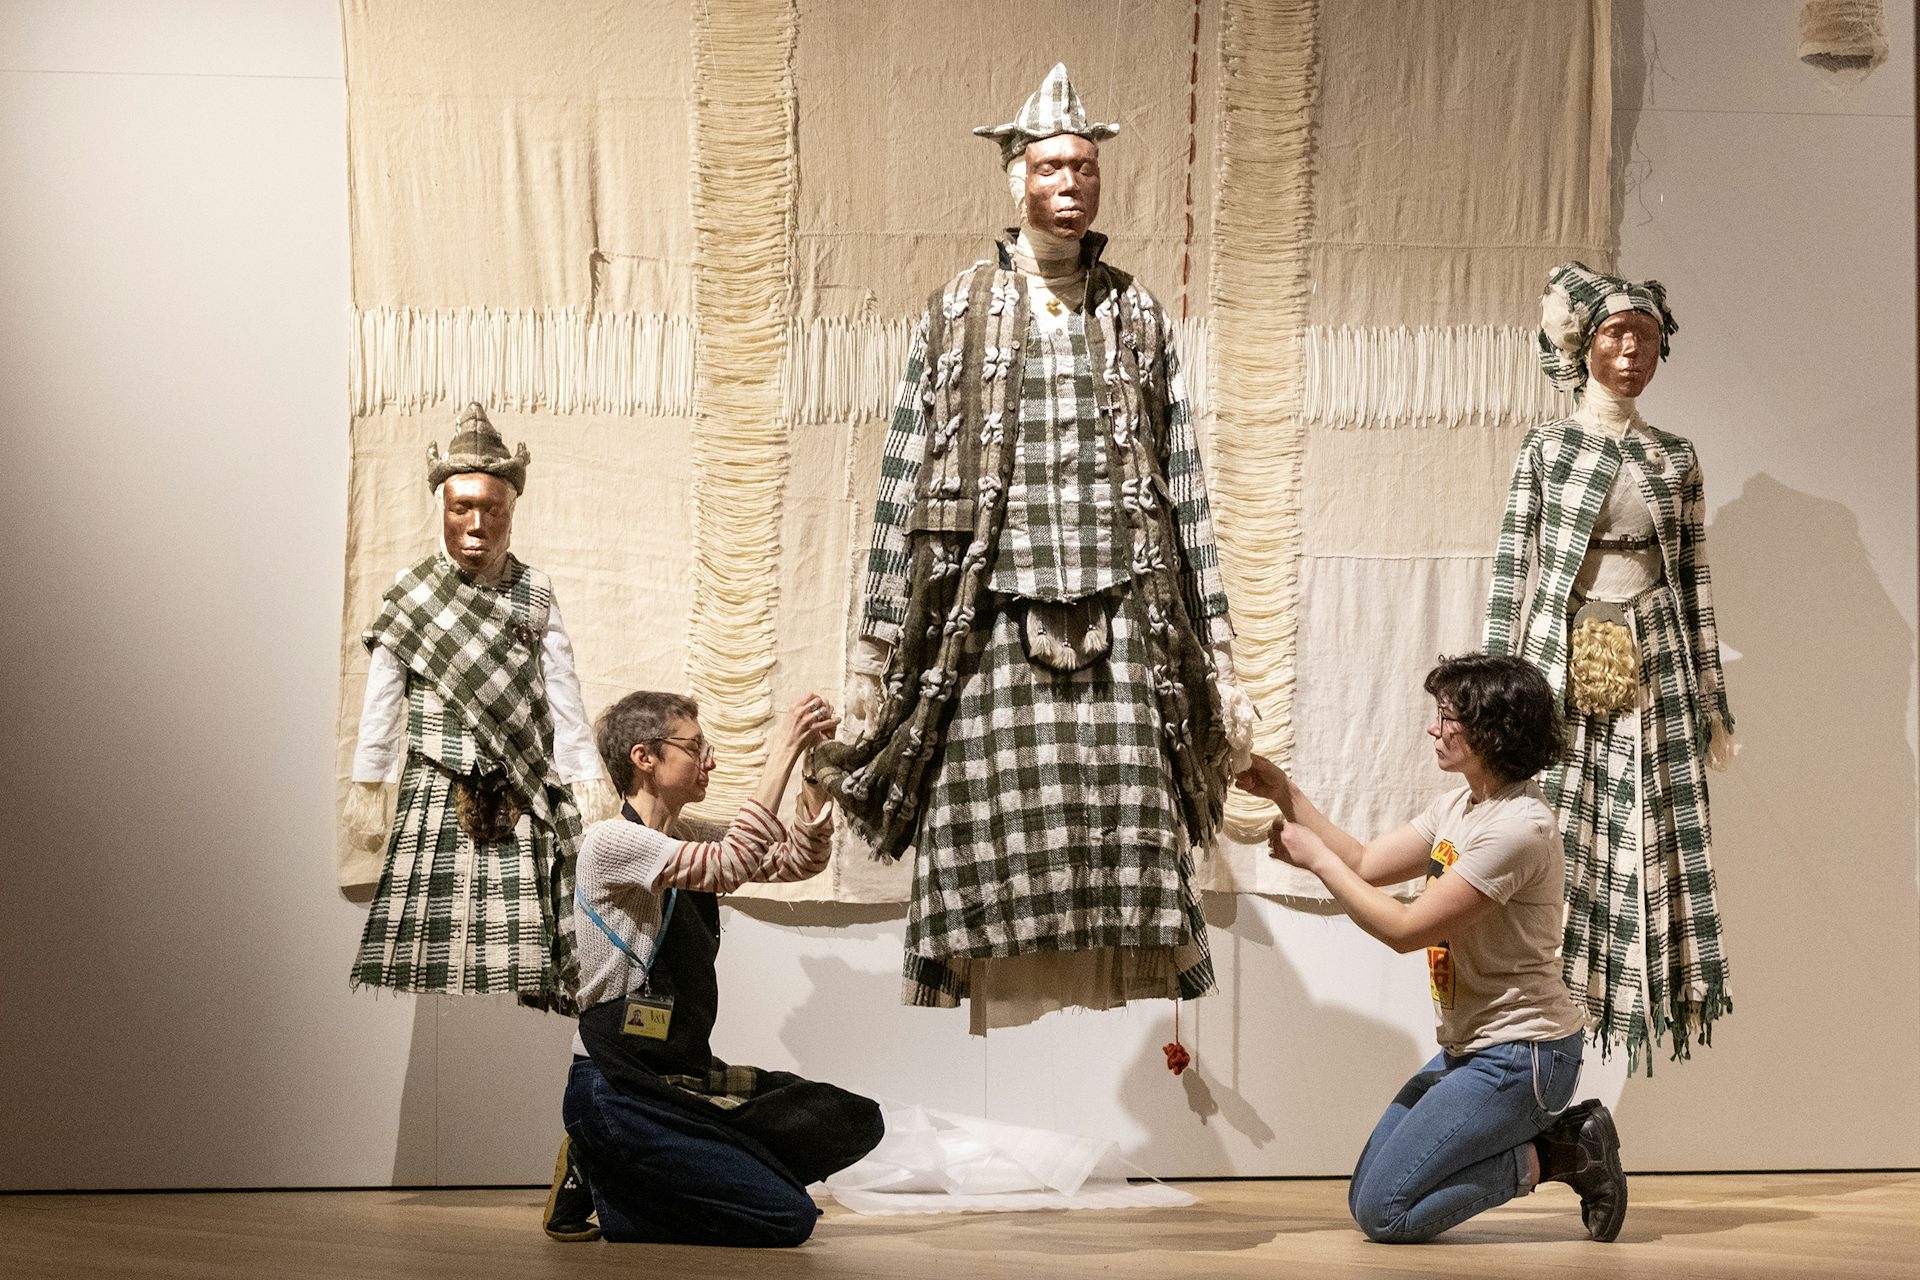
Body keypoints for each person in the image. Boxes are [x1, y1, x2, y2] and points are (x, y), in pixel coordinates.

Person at [815, 64, 1255, 1025]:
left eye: (1086, 168)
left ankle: (1126, 963)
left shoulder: (1136, 311)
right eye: (1053, 166)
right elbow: (903, 468)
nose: (1072, 184)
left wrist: (1217, 640)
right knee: (983, 822)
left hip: (1123, 597)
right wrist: (879, 638)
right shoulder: (958, 308)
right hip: (990, 604)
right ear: (1017, 179)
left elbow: (1182, 477)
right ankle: (979, 963)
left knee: (1129, 819)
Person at [1239, 653, 1627, 1244]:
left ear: (1492, 731)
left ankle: (1562, 1154)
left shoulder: (1521, 828)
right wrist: (1285, 793)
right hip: (1470, 1050)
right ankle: (1552, 1148)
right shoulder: (1459, 808)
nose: (1434, 729)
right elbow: (1367, 863)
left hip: (1525, 1055)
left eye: (1449, 717)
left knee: (1384, 1213)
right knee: (1366, 1192)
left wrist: (1314, 860)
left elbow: (1405, 930)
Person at [1487, 263, 1735, 1070]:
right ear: (1583, 345)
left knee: (1646, 823)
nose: (1632, 351)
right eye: (1615, 335)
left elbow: (1695, 581)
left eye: (1647, 338)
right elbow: (1512, 569)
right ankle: (1550, 996)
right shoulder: (1551, 449)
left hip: (1653, 658)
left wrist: (1713, 701)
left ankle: (1646, 986)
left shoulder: (1675, 456)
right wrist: (1490, 692)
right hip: (1566, 656)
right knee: (1561, 824)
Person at [544, 689, 883, 1246]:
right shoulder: (611, 842)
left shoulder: (691, 833)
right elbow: (730, 865)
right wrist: (779, 748)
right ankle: (609, 1184)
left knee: (849, 1119)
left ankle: (645, 1170)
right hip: (616, 1082)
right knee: (788, 1218)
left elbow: (798, 860)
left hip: (677, 1070)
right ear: (644, 758)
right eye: (695, 746)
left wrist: (813, 780)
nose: (711, 759)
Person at [346, 402, 610, 1013]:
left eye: (492, 509)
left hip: (519, 782)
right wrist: (369, 783)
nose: (475, 525)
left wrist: (582, 775)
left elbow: (563, 691)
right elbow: (384, 696)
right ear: (442, 507)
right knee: (436, 939)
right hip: (436, 782)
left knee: (521, 939)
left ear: (511, 512)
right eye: (461, 507)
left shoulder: (534, 592)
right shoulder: (412, 594)